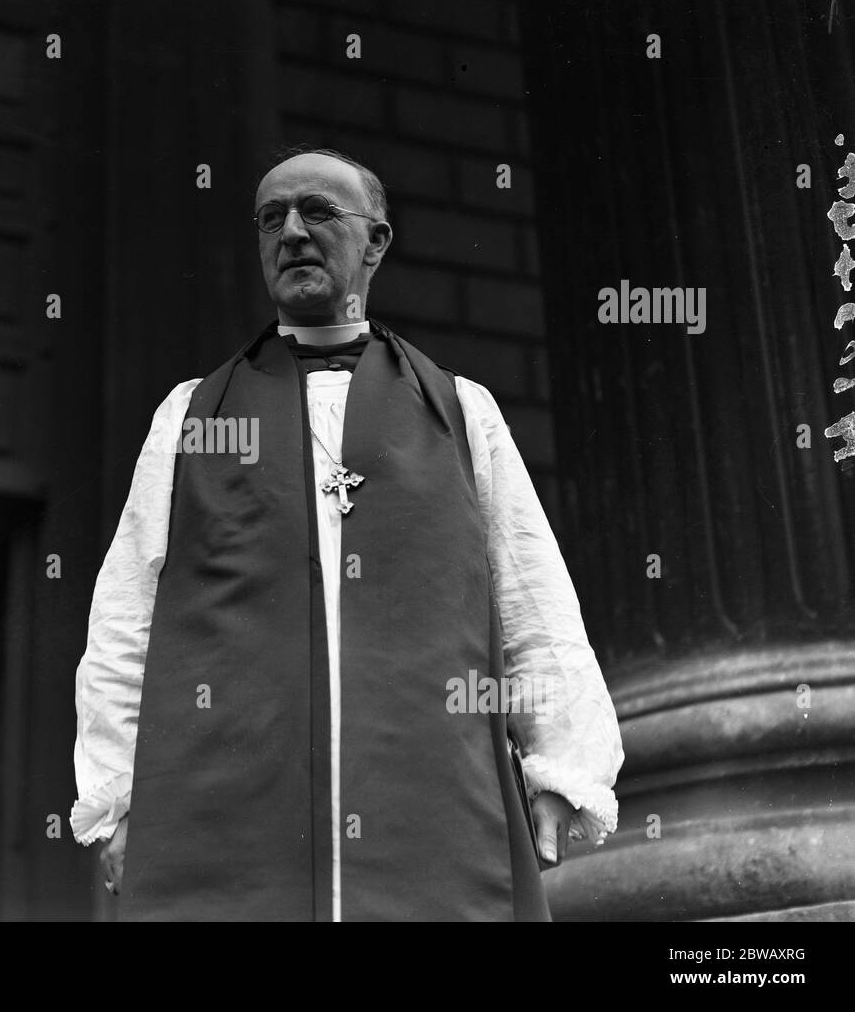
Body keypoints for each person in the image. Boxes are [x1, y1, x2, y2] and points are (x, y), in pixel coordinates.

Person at [69, 147, 624, 921]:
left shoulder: (462, 412)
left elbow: (535, 602)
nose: (291, 232)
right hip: (223, 812)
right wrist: (115, 796)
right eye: (271, 219)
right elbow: (125, 619)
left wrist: (563, 769)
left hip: (434, 804)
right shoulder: (193, 416)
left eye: (318, 212)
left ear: (376, 242)